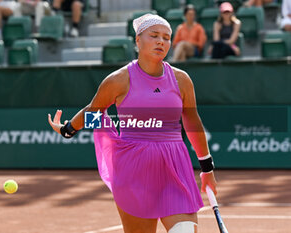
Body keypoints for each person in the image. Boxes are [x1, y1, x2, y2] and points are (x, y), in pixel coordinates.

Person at [48, 14, 217, 233]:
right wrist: (68, 128)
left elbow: (192, 121)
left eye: (166, 38)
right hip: (134, 169)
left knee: (184, 229)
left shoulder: (181, 79)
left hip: (175, 167)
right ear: (138, 40)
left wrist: (207, 167)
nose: (161, 42)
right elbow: (94, 112)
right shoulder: (118, 80)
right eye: (154, 36)